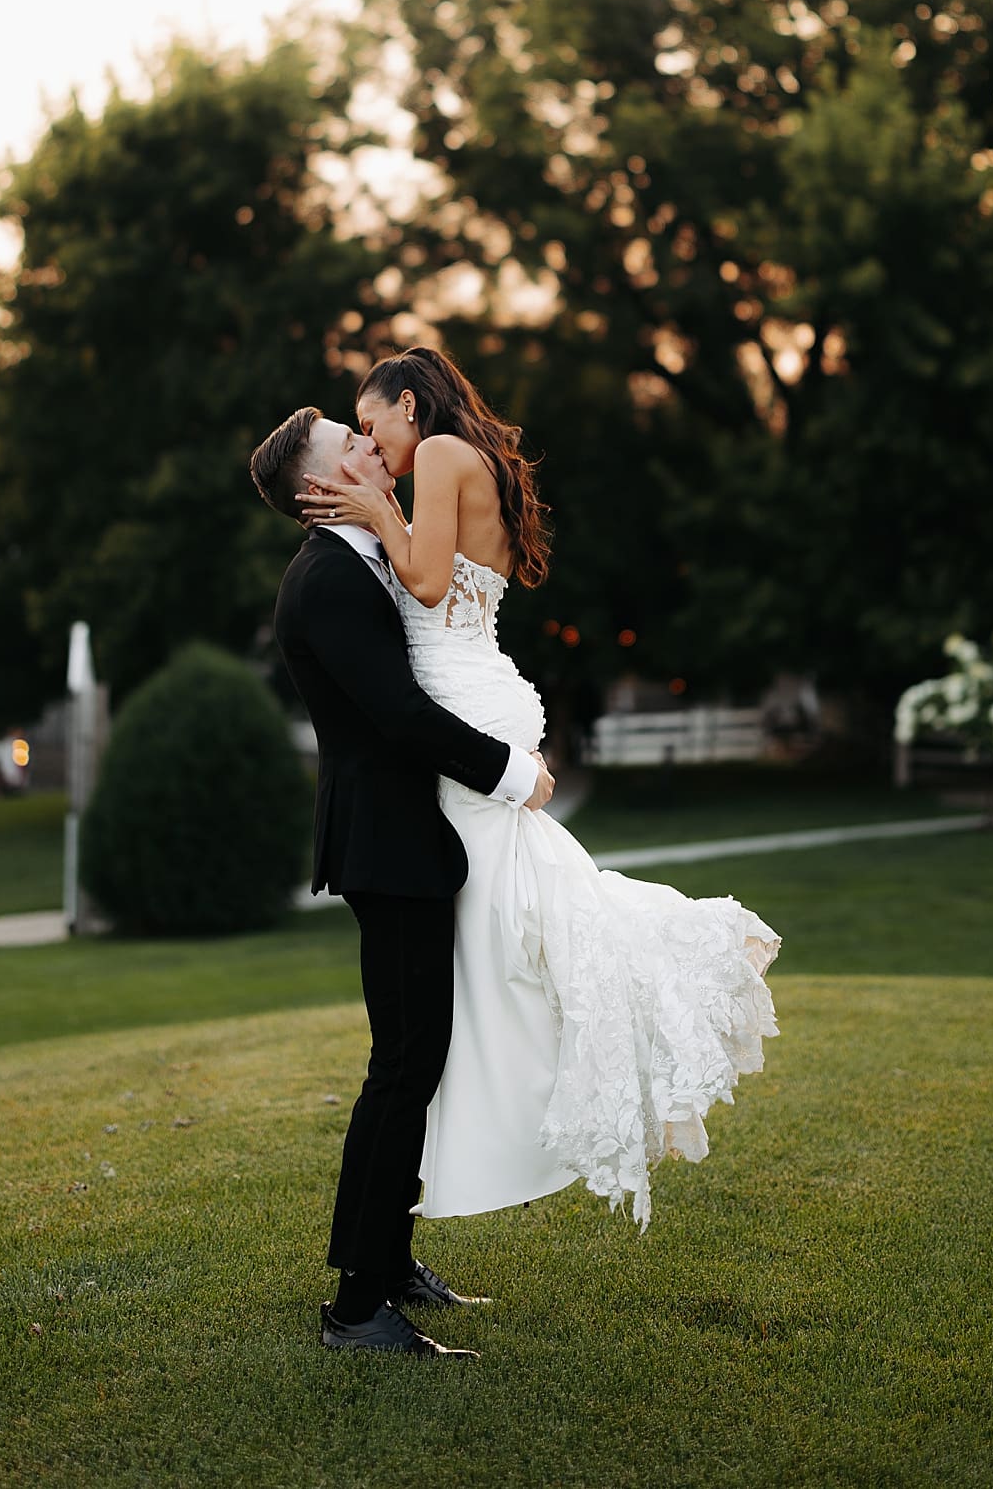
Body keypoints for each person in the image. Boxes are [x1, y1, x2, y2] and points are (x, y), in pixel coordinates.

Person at [293, 346, 779, 1231]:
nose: (373, 446)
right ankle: (441, 1178)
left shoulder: (440, 455)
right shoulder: (462, 463)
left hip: (468, 707)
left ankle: (666, 968)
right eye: (355, 440)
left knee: (506, 942)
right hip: (482, 695)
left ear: (410, 404)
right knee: (531, 920)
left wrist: (373, 509)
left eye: (372, 425)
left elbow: (429, 583)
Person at [251, 407, 556, 1363]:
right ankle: (356, 1307)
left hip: (407, 839)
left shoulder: (366, 559)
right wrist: (513, 771)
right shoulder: (327, 582)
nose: (374, 451)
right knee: (403, 1065)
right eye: (352, 447)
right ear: (316, 492)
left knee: (415, 1059)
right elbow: (398, 716)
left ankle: (388, 1259)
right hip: (388, 845)